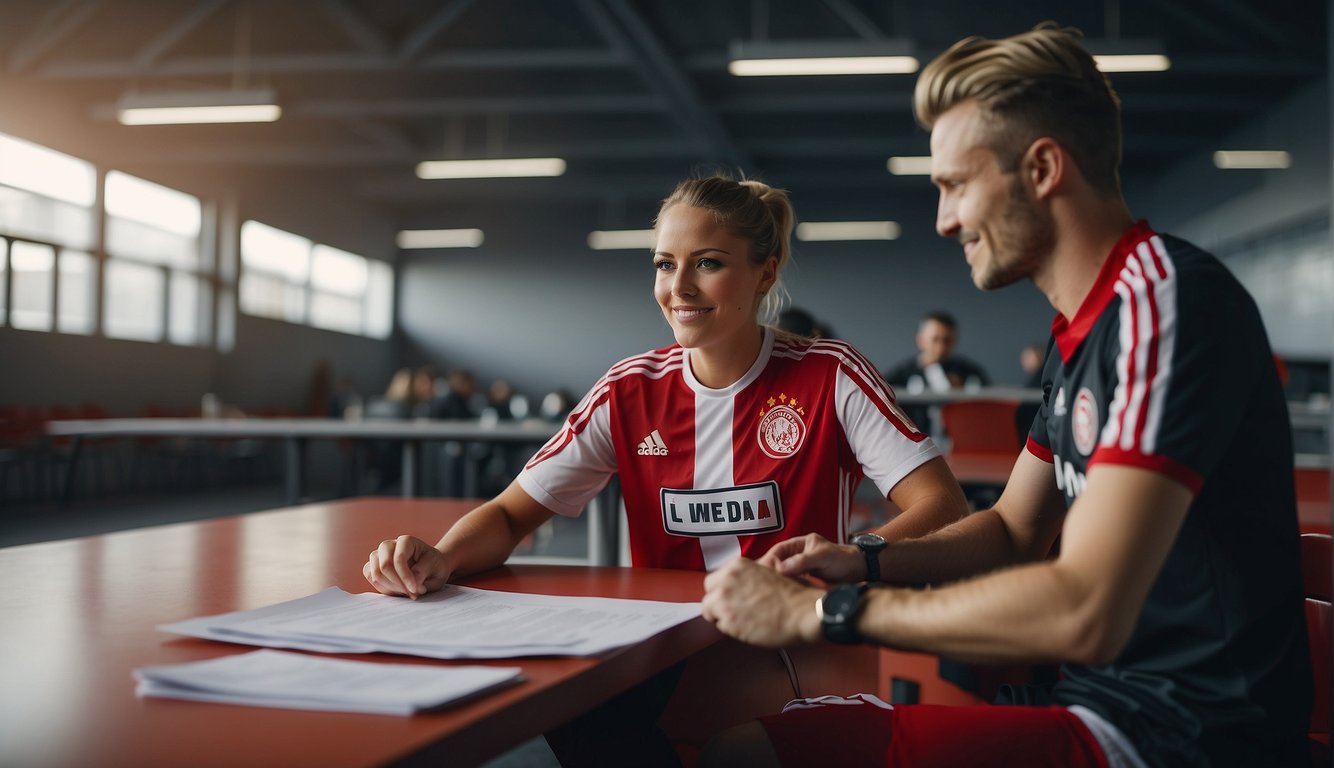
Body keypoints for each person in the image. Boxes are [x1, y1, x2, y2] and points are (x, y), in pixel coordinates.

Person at [698, 23, 1310, 768]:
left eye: (955, 185)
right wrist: (859, 562)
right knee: (750, 743)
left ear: (1044, 167)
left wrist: (826, 612)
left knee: (760, 753)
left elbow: (1085, 610)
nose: (944, 218)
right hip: (1096, 701)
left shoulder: (1167, 305)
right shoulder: (1075, 333)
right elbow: (1014, 529)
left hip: (1182, 739)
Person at [364, 175, 968, 765]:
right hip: (669, 657)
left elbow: (941, 507)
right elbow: (508, 514)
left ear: (765, 271)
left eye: (706, 263)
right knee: (566, 710)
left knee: (735, 754)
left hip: (796, 642)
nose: (678, 287)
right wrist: (441, 558)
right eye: (663, 264)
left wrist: (844, 561)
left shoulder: (830, 372)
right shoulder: (629, 389)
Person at [884, 310, 990, 394]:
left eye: (947, 340)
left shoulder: (968, 372)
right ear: (921, 340)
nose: (941, 347)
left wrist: (962, 393)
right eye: (935, 339)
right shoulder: (901, 375)